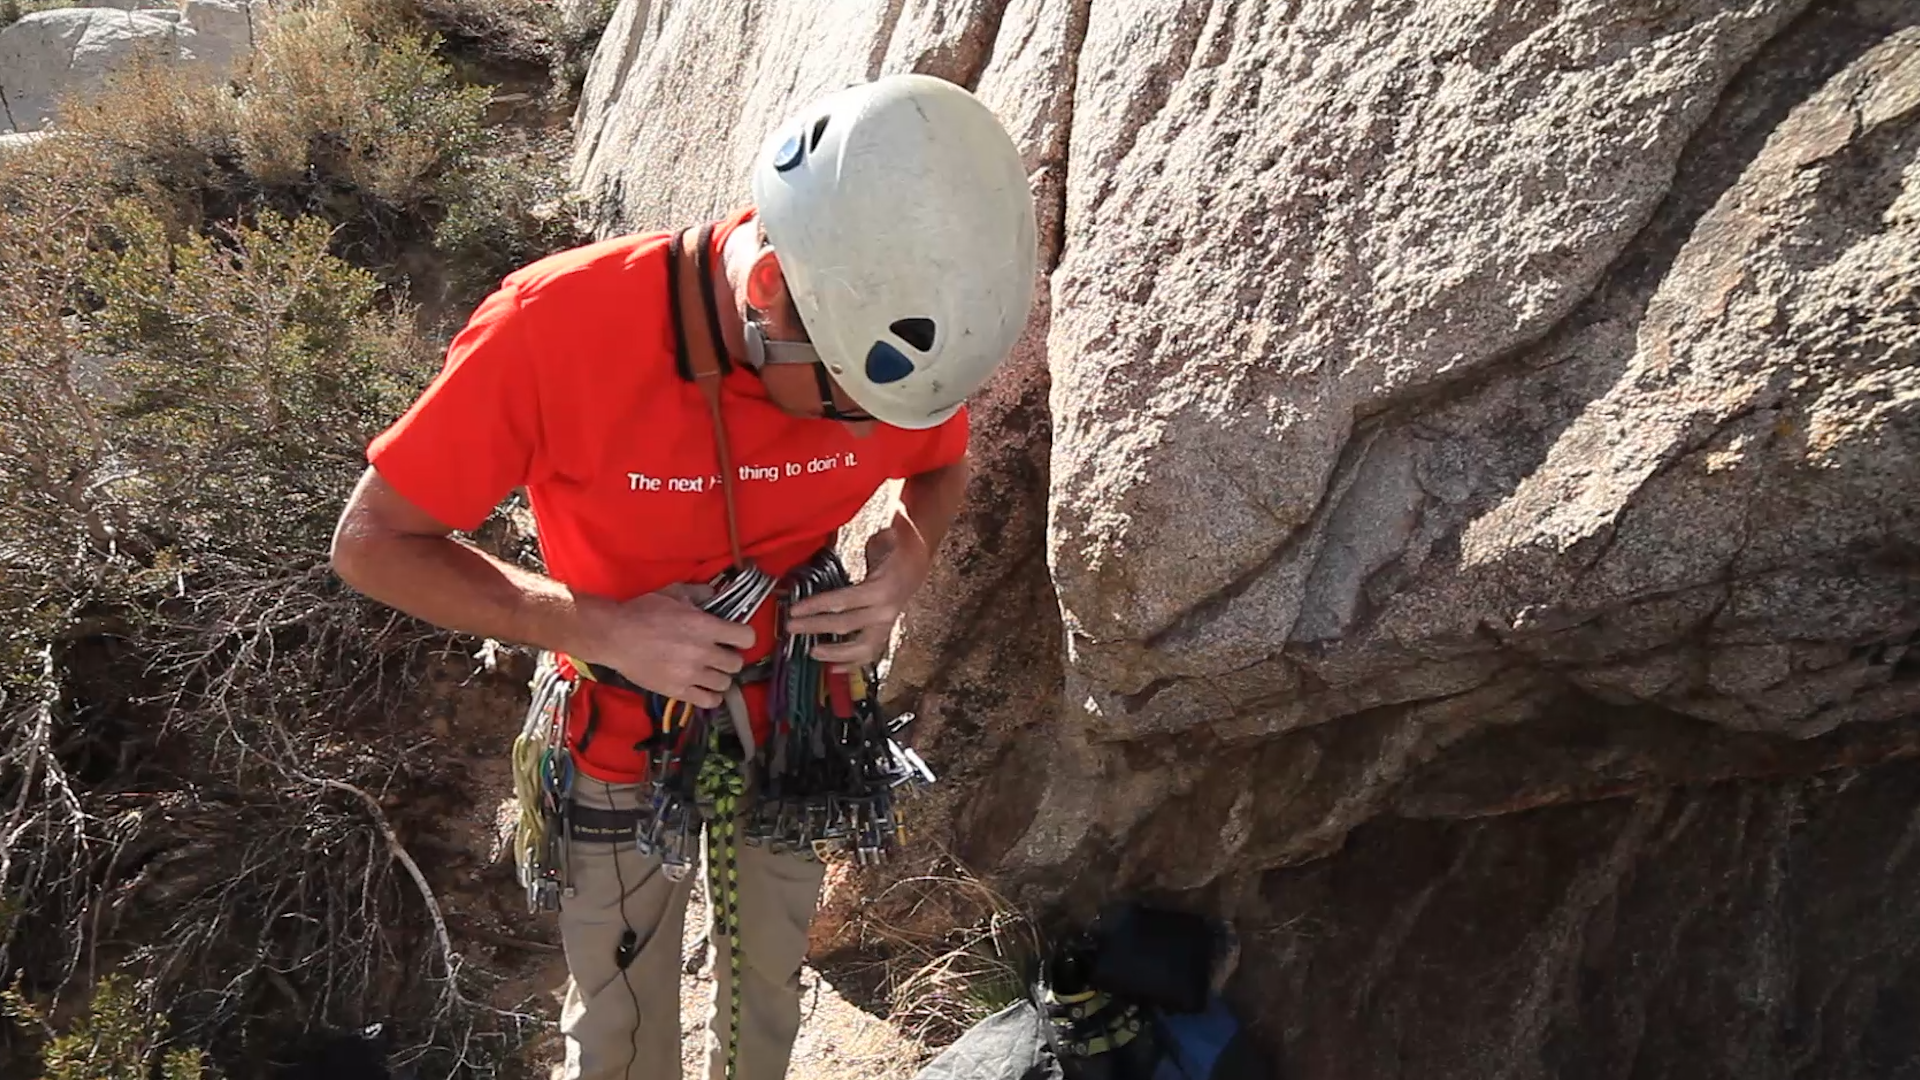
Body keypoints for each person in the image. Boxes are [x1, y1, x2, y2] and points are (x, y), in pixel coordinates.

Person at [327, 73, 1038, 1080]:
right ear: (769, 292)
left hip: (798, 715)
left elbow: (938, 459)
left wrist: (906, 565)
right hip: (619, 719)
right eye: (842, 401)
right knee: (618, 1022)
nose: (859, 425)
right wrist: (599, 628)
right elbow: (371, 543)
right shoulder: (555, 327)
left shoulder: (883, 342)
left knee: (768, 991)